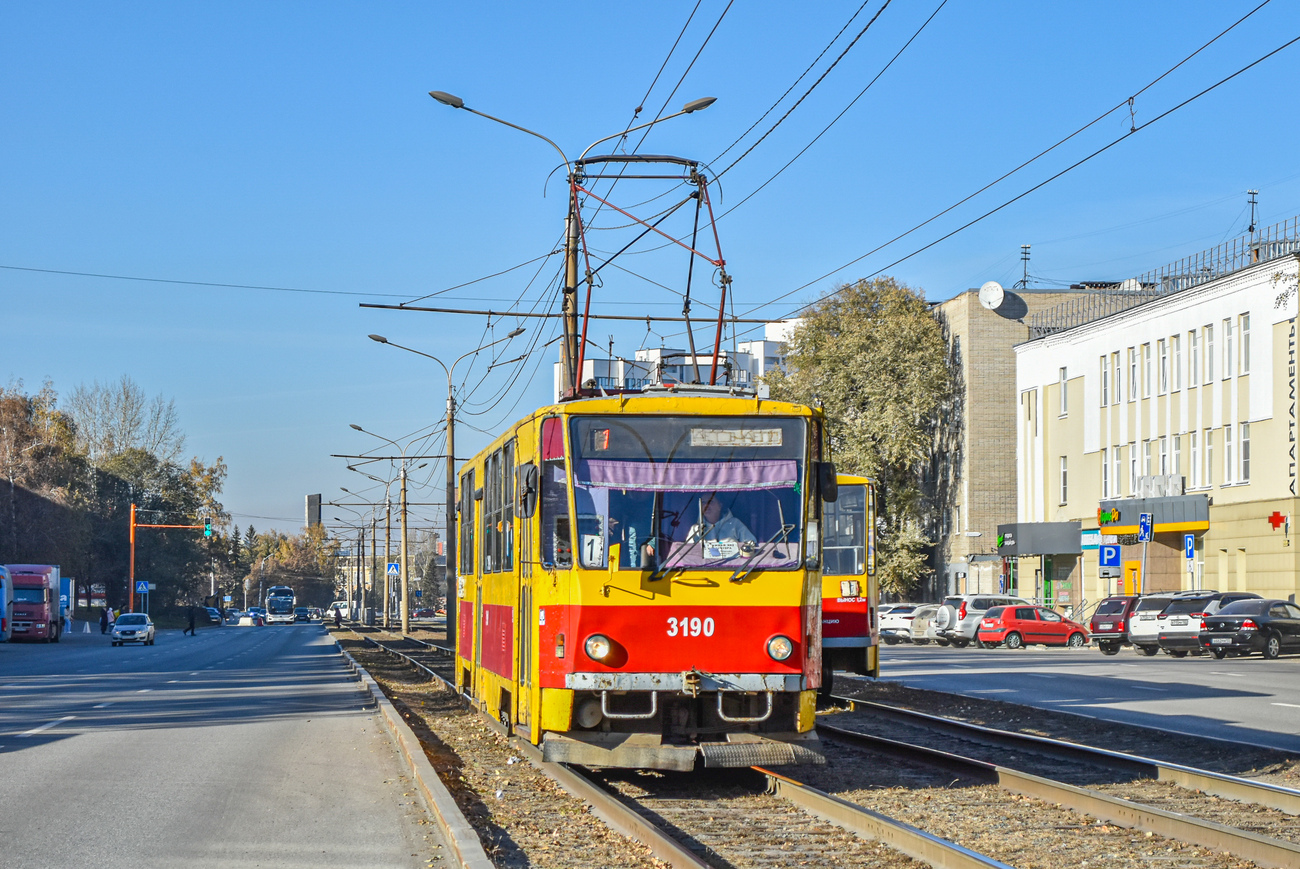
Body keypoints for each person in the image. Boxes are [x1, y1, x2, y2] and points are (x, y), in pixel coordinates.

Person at [687, 494, 757, 553]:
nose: (706, 506)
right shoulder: (695, 529)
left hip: (734, 567)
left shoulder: (735, 524)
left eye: (710, 502)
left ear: (720, 505)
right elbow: (689, 553)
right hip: (702, 568)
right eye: (703, 502)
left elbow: (751, 545)